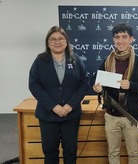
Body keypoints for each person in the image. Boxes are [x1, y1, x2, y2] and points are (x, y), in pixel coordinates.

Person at [28, 26, 89, 164]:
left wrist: (69, 106)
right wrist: (54, 106)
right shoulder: (40, 61)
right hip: (48, 115)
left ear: (66, 42)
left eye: (61, 38)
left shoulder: (76, 60)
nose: (57, 42)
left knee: (70, 152)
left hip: (71, 115)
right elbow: (34, 85)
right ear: (48, 42)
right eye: (53, 39)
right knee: (50, 153)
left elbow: (84, 83)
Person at [92, 22, 138, 164]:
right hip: (112, 115)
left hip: (133, 116)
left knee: (134, 153)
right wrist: (98, 89)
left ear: (131, 39)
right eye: (117, 37)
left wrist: (131, 85)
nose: (120, 40)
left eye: (124, 37)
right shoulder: (107, 61)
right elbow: (97, 83)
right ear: (113, 40)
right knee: (113, 152)